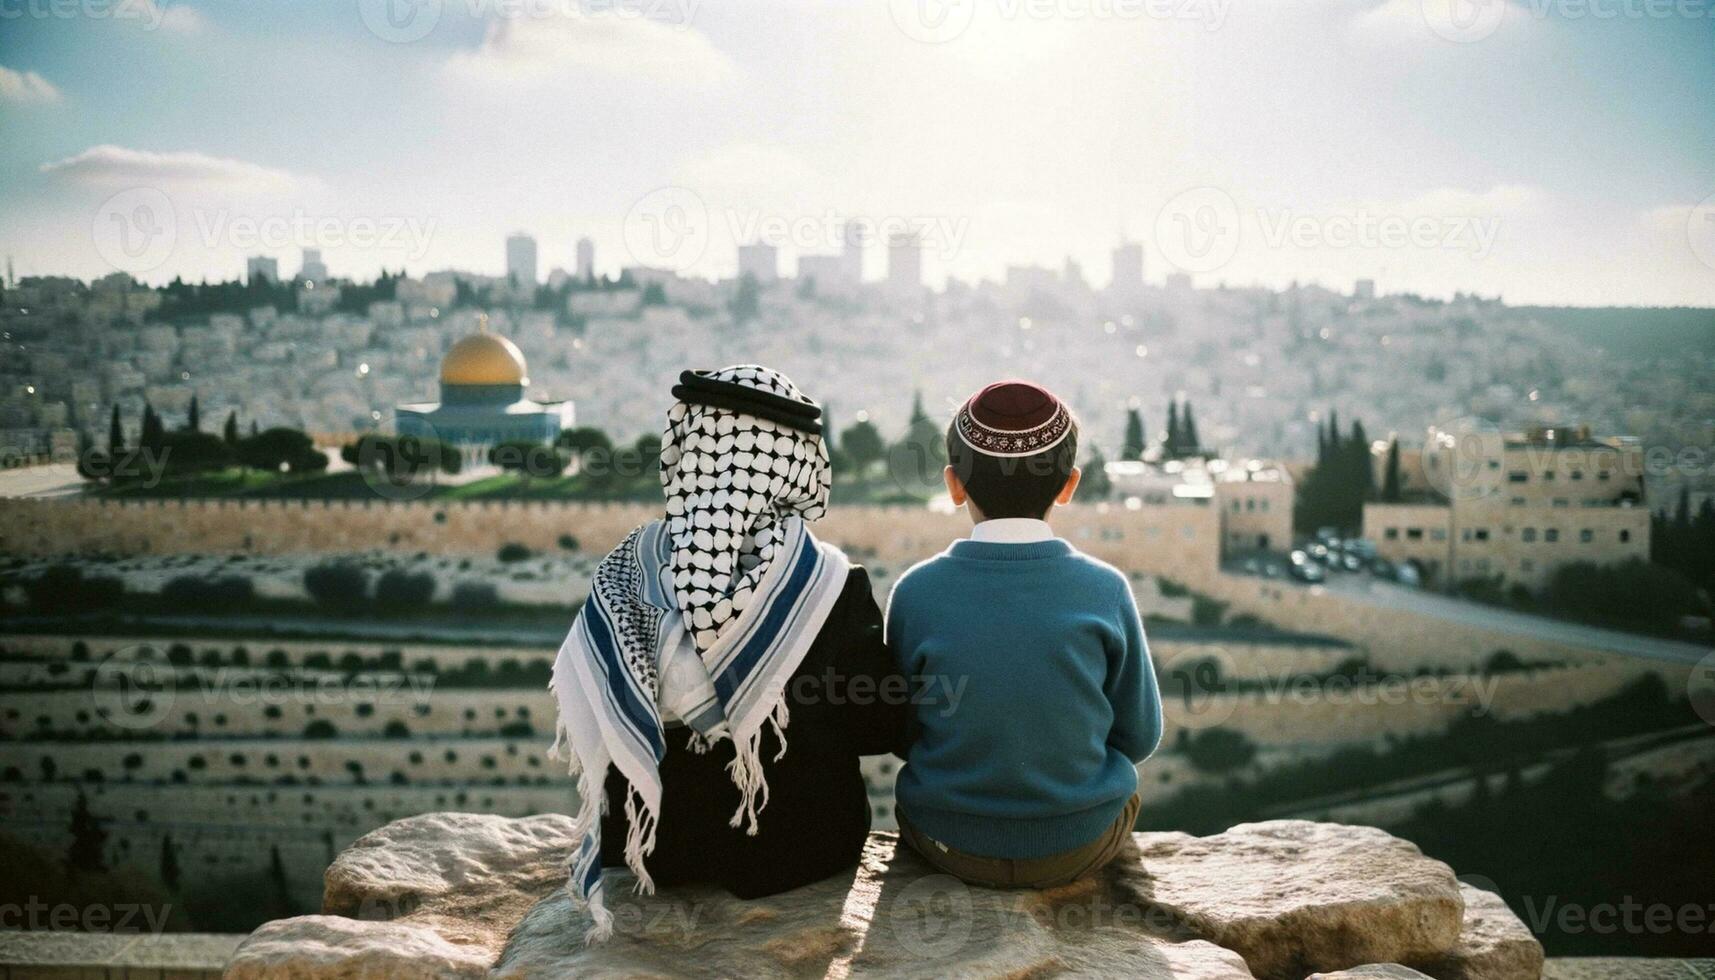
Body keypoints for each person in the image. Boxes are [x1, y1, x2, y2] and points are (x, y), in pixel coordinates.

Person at [548, 365, 907, 942]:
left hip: (653, 851)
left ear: (684, 449)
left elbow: (601, 701)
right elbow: (877, 726)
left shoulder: (628, 569)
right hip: (794, 852)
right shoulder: (830, 587)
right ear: (797, 463)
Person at [886, 379, 1163, 889]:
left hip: (947, 844)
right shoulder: (1105, 590)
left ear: (953, 483)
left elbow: (903, 735)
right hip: (1080, 845)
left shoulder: (915, 593)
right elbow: (1140, 736)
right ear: (1069, 484)